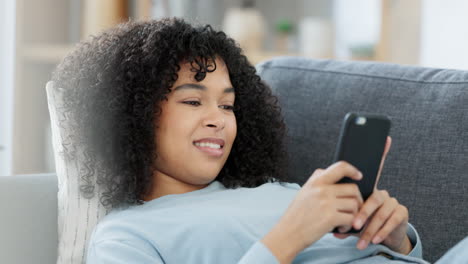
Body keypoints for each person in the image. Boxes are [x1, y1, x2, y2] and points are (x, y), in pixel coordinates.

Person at [52, 18, 432, 264]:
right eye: (192, 100)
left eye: (228, 105)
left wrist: (398, 240)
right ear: (131, 115)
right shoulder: (126, 235)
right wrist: (289, 236)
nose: (218, 119)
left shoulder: (277, 190)